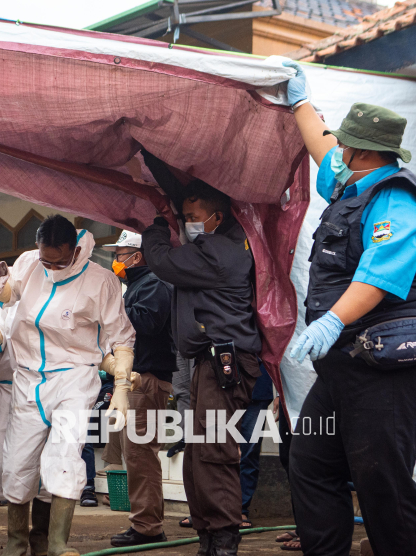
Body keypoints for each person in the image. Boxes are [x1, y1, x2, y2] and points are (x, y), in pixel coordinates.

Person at [282, 61, 416, 556]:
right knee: (310, 464)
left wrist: (332, 319)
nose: (339, 150)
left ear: (363, 151)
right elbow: (323, 147)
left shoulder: (398, 198)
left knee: (381, 481)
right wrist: (300, 103)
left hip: (389, 362)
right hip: (343, 363)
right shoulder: (352, 181)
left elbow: (379, 275)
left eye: (345, 143)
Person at [0, 215, 136, 556]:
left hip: (74, 377)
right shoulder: (29, 262)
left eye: (60, 260)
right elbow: (11, 294)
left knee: (65, 454)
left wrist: (123, 389)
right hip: (27, 378)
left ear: (75, 249)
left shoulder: (100, 282)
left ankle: (56, 541)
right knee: (17, 461)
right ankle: (16, 541)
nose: (51, 267)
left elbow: (122, 339)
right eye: (45, 259)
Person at [143, 181, 262, 556]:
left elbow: (162, 261)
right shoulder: (213, 247)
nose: (188, 224)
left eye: (193, 218)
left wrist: (157, 226)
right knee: (197, 453)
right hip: (209, 362)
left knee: (212, 449)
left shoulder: (221, 251)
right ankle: (209, 536)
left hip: (225, 362)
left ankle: (224, 539)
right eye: (183, 218)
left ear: (218, 217)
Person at [102, 231, 176, 548]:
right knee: (135, 456)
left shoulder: (155, 283)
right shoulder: (137, 285)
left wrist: (111, 312)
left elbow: (147, 323)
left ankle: (148, 527)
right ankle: (145, 523)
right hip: (135, 381)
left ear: (138, 256)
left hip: (146, 380)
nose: (116, 261)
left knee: (141, 455)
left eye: (121, 255)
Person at [0, 304, 53, 556]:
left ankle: (39, 534)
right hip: (7, 392)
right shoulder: (6, 303)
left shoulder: (56, 295)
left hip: (46, 392)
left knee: (45, 466)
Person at [238, 363, 274, 529]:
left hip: (258, 388)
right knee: (216, 450)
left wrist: (279, 393)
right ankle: (211, 509)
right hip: (222, 387)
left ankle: (241, 508)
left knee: (249, 452)